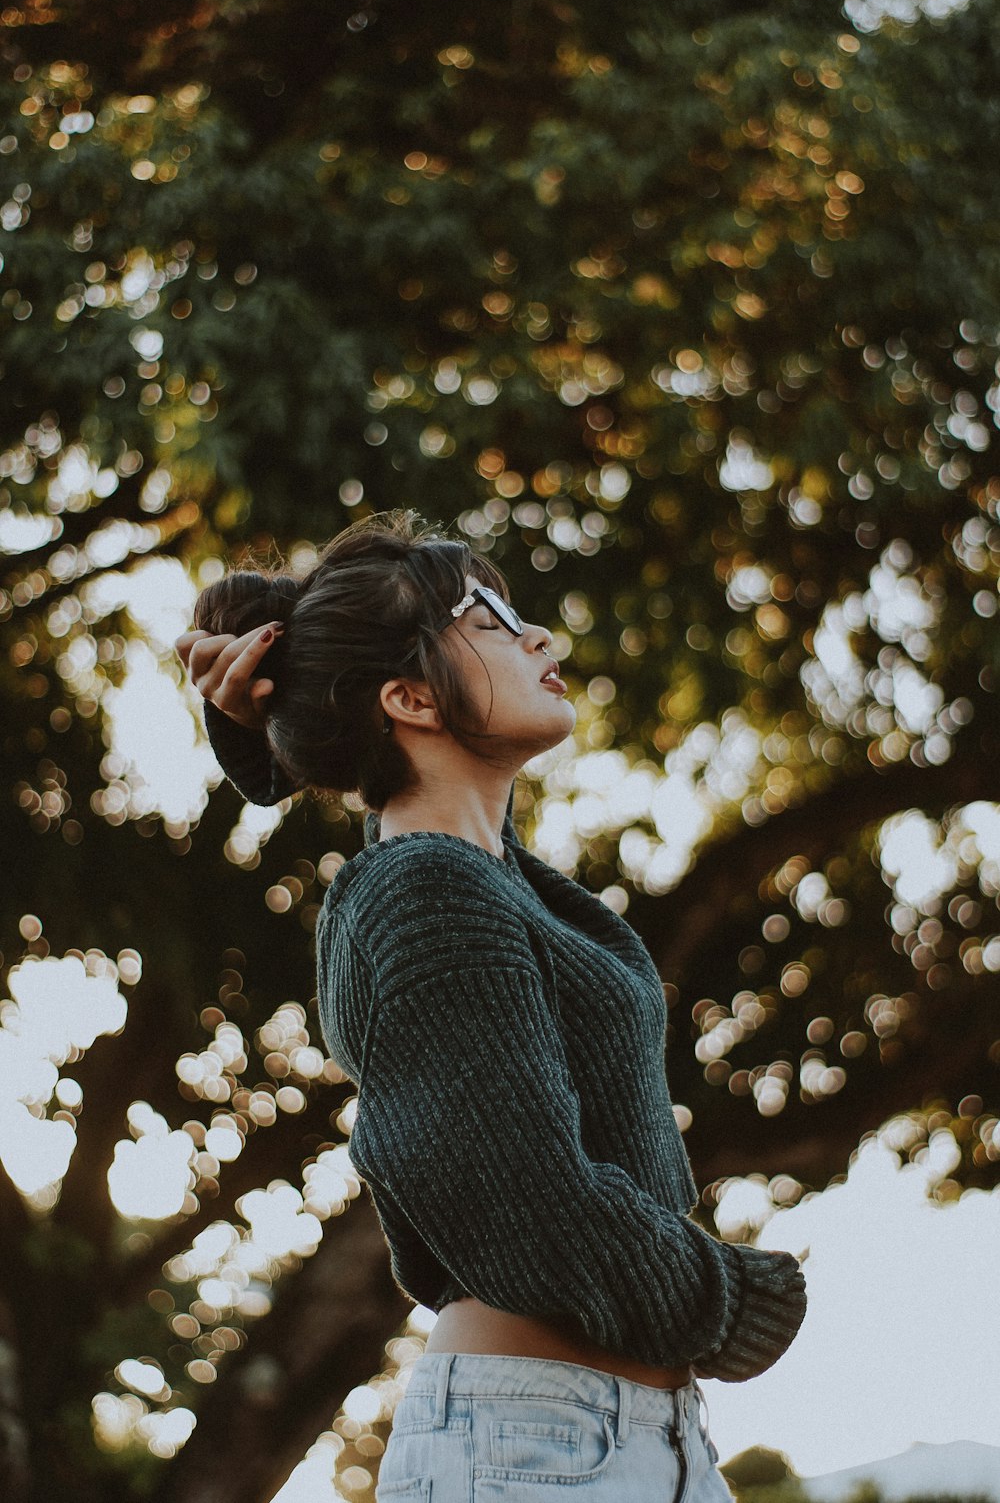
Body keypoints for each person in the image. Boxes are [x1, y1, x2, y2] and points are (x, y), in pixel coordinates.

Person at [176, 510, 807, 1503]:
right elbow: (535, 1205)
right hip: (540, 1445)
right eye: (491, 619)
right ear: (411, 696)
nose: (539, 636)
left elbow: (463, 842)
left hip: (626, 1438)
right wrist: (737, 1303)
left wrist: (278, 740)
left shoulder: (479, 878)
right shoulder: (424, 891)